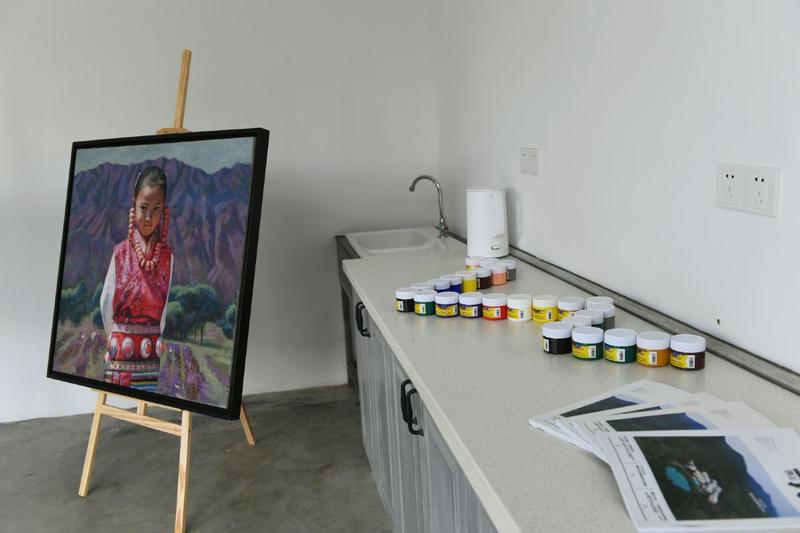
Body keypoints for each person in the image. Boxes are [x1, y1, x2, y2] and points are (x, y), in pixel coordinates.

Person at [99, 166, 174, 391]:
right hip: (121, 353)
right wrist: (112, 335)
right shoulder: (120, 253)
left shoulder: (168, 258)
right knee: (121, 401)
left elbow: (164, 308)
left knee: (145, 396)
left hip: (150, 356)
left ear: (163, 211)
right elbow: (106, 301)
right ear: (134, 205)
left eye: (156, 209)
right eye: (143, 208)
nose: (149, 217)